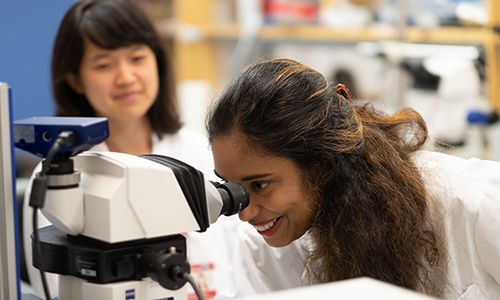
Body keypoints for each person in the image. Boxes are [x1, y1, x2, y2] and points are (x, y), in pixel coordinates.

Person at [206, 58, 500, 299]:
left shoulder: (471, 203)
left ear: (321, 163)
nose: (245, 213)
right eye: (233, 188)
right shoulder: (261, 249)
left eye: (260, 185)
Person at [23, 0, 237, 298]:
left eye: (137, 58)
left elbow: (238, 264)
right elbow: (53, 287)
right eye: (104, 64)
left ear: (157, 63)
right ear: (76, 80)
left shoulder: (201, 151)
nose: (125, 77)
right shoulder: (60, 174)